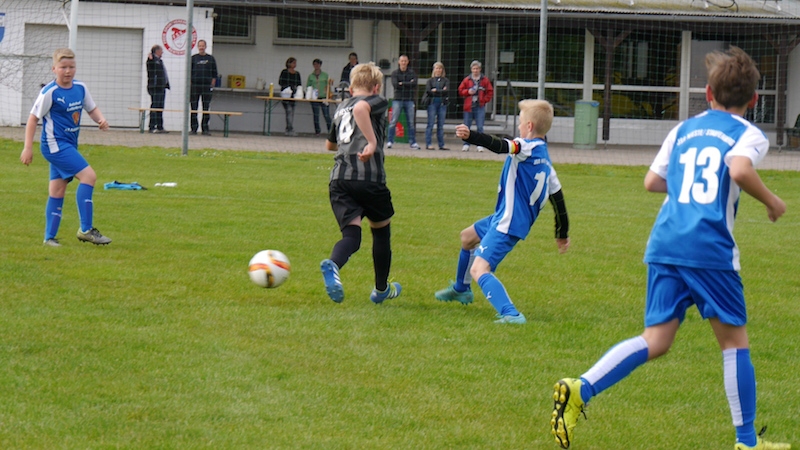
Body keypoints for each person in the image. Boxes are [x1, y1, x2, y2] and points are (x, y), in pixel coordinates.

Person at [550, 47, 789, 450]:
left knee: (656, 340)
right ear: (753, 100)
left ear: (708, 94)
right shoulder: (748, 133)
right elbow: (739, 169)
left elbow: (652, 182)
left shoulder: (683, 130)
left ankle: (581, 387)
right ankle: (747, 443)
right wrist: (772, 201)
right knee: (734, 343)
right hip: (708, 247)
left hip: (665, 242)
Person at [434, 100, 569, 323]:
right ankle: (461, 289)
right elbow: (559, 202)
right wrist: (562, 233)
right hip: (505, 217)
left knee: (480, 268)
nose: (519, 127)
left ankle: (511, 314)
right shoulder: (546, 160)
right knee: (467, 238)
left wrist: (471, 136)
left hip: (508, 221)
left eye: (520, 122)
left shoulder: (524, 146)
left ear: (529, 126)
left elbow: (500, 146)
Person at [320, 62, 402, 305]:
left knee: (352, 236)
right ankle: (381, 290)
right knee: (381, 233)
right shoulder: (377, 100)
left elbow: (330, 145)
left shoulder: (340, 107)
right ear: (376, 87)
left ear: (351, 87)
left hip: (340, 179)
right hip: (370, 178)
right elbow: (361, 109)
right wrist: (371, 142)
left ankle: (334, 264)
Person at [19, 48, 112, 247]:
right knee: (89, 177)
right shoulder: (50, 92)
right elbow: (33, 118)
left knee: (57, 190)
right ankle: (86, 230)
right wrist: (28, 148)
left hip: (69, 144)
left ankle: (49, 238)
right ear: (54, 69)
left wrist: (100, 119)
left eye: (71, 67)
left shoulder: (80, 88)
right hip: (55, 146)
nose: (68, 71)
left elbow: (91, 108)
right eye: (63, 67)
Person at [458, 60, 493, 152]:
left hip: (480, 106)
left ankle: (480, 145)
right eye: (474, 69)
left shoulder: (484, 80)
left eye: (477, 68)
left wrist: (484, 100)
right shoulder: (467, 80)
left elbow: (490, 91)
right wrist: (467, 92)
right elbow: (460, 90)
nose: (475, 70)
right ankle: (466, 144)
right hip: (468, 107)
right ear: (471, 69)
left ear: (480, 69)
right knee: (466, 126)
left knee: (480, 126)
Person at [386, 55, 420, 149]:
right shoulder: (395, 73)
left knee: (411, 122)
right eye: (402, 61)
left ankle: (412, 142)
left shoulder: (412, 73)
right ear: (399, 62)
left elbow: (414, 84)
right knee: (393, 121)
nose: (403, 63)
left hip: (409, 100)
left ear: (408, 62)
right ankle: (390, 141)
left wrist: (402, 83)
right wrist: (408, 83)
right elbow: (395, 85)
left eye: (405, 61)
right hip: (398, 99)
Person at [190, 39, 218, 136]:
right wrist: (190, 82)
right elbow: (189, 72)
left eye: (203, 46)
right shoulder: (193, 58)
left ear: (205, 47)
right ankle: (194, 129)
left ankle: (205, 129)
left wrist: (212, 82)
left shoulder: (210, 59)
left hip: (206, 86)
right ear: (198, 47)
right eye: (200, 46)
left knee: (206, 107)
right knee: (194, 107)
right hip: (195, 85)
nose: (201, 47)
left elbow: (215, 73)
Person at [424, 62, 450, 150]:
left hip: (442, 104)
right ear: (434, 70)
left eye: (440, 68)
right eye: (437, 68)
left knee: (440, 125)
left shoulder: (446, 80)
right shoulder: (430, 80)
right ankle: (428, 144)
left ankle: (441, 145)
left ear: (442, 70)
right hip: (432, 104)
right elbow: (429, 91)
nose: (438, 70)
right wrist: (441, 91)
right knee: (430, 124)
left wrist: (436, 90)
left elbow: (446, 91)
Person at [146, 44, 169, 134]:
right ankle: (152, 127)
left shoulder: (160, 61)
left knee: (160, 107)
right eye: (161, 51)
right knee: (155, 106)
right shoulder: (152, 60)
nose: (162, 52)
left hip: (162, 87)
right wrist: (150, 58)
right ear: (157, 51)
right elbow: (150, 65)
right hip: (155, 87)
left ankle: (160, 126)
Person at [307, 58, 332, 136]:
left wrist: (329, 96)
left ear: (320, 65)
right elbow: (308, 86)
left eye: (318, 64)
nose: (316, 66)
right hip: (314, 98)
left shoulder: (325, 75)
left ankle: (330, 131)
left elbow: (329, 86)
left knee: (326, 115)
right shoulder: (311, 76)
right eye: (315, 64)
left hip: (324, 97)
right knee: (316, 115)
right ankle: (317, 131)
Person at [279, 57, 302, 137]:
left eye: (295, 63)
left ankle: (288, 128)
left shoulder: (297, 73)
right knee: (289, 111)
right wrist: (288, 87)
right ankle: (290, 129)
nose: (295, 64)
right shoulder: (284, 72)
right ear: (289, 63)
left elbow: (299, 84)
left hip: (294, 95)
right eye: (293, 63)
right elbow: (280, 82)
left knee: (291, 112)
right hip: (286, 94)